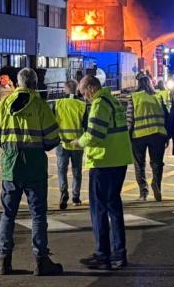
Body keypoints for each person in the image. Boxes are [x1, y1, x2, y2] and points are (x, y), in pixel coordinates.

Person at [0, 68, 64, 276]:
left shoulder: (5, 103)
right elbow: (52, 138)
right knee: (38, 215)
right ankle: (41, 261)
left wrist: (11, 149)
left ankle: (4, 261)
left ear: (19, 83)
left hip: (11, 167)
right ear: (34, 83)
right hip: (35, 168)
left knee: (8, 215)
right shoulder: (40, 105)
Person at [63, 75, 132, 270]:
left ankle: (103, 255)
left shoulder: (100, 104)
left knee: (99, 210)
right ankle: (119, 254)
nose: (84, 97)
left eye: (84, 93)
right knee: (114, 209)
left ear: (91, 88)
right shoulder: (113, 101)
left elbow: (95, 134)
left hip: (104, 161)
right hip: (118, 160)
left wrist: (78, 143)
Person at [128, 75, 169, 202]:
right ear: (151, 84)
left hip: (139, 135)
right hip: (158, 134)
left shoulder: (134, 97)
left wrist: (128, 136)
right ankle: (156, 183)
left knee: (139, 164)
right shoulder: (158, 97)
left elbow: (130, 118)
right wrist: (167, 136)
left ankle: (143, 192)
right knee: (157, 163)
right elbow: (166, 116)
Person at [52, 79, 87, 209]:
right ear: (77, 89)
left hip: (62, 142)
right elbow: (86, 125)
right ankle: (76, 197)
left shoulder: (58, 103)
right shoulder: (82, 105)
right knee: (77, 171)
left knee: (62, 170)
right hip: (77, 143)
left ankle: (63, 192)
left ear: (65, 89)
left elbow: (52, 123)